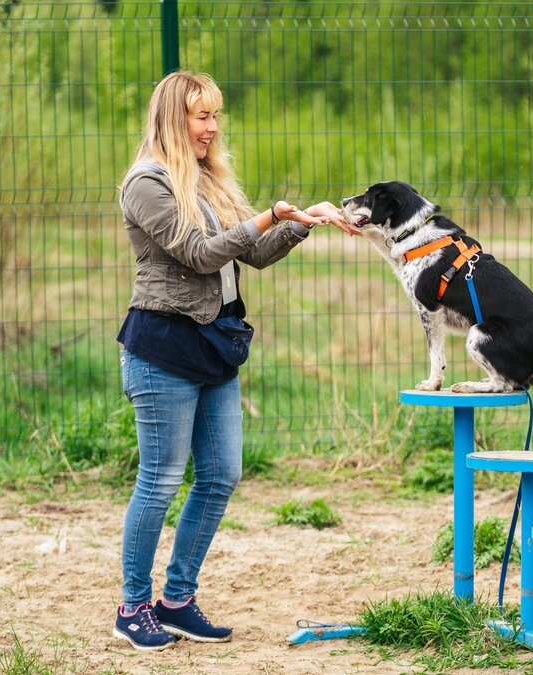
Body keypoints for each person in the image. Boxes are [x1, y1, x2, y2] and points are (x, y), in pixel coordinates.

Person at [112, 71, 355, 652]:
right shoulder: (147, 184)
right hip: (163, 348)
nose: (213, 127)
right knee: (161, 480)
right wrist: (266, 216)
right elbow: (198, 255)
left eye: (215, 116)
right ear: (175, 118)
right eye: (202, 117)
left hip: (214, 344)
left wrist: (299, 222)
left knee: (220, 475)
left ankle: (177, 599)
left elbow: (254, 252)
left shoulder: (208, 180)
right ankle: (132, 606)